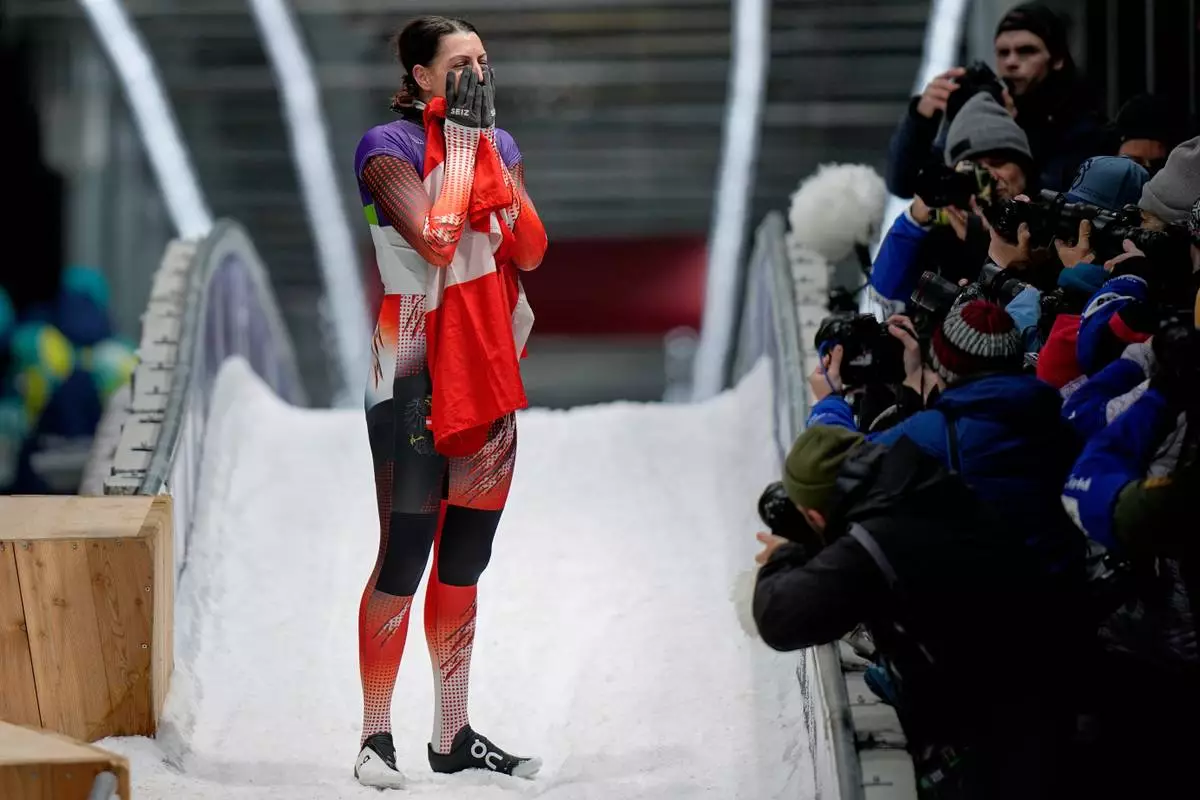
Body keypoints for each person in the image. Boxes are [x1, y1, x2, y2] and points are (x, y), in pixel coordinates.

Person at [350, 15, 547, 789]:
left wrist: (487, 149)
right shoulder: (383, 150)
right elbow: (434, 240)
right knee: (405, 555)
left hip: (487, 361)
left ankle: (453, 732)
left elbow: (529, 247)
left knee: (466, 560)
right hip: (408, 363)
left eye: (485, 63)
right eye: (461, 65)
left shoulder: (502, 149)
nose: (477, 77)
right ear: (422, 77)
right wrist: (463, 146)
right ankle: (374, 737)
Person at [753, 426, 1075, 799]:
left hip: (999, 731)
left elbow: (780, 618)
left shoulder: (876, 540)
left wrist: (786, 554)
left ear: (817, 513)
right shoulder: (915, 483)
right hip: (1037, 683)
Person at [808, 300, 1084, 577]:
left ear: (943, 364)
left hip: (999, 595)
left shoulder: (939, 433)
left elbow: (839, 464)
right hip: (1065, 574)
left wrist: (829, 403)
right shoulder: (1051, 407)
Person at [886, 2, 1105, 199]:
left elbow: (1060, 200)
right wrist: (921, 120)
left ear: (1057, 59)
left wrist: (1007, 134)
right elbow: (903, 184)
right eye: (1003, 53)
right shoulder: (985, 109)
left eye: (1026, 51)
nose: (1011, 62)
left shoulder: (1083, 125)